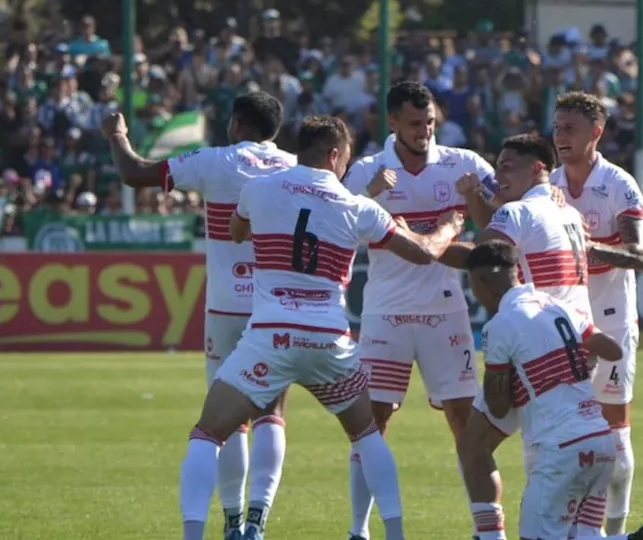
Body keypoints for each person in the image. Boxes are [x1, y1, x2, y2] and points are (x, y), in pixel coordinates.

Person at [176, 115, 465, 540]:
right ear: (334, 155)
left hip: (270, 335)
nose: (347, 167)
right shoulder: (356, 205)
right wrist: (449, 227)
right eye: (346, 159)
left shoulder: (257, 188)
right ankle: (396, 533)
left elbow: (236, 230)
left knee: (207, 433)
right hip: (328, 340)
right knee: (367, 435)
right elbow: (423, 254)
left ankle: (193, 535)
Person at [102, 91, 297, 540]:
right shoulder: (294, 167)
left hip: (225, 308)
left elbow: (133, 173)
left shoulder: (214, 161)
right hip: (273, 306)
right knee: (272, 411)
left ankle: (231, 522)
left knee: (226, 418)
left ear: (237, 124)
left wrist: (116, 134)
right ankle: (257, 521)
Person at [341, 81, 497, 540]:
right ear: (392, 123)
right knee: (373, 422)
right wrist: (368, 196)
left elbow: (499, 228)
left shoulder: (464, 164)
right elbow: (339, 230)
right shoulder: (368, 170)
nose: (425, 131)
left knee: (465, 420)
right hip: (386, 311)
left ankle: (487, 530)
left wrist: (473, 202)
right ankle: (359, 529)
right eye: (415, 123)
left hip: (445, 311)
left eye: (430, 122)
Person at [450, 132, 595, 539]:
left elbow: (483, 258)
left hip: (535, 349)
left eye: (506, 166)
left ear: (537, 168)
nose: (498, 175)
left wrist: (421, 240)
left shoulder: (517, 214)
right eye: (496, 167)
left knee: (474, 446)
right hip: (577, 345)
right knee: (558, 456)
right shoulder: (568, 211)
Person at [468, 239, 626, 540]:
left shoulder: (500, 325)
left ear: (482, 282)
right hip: (600, 442)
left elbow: (499, 407)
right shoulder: (557, 307)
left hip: (561, 450)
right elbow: (613, 350)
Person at [549, 92, 643, 535]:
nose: (560, 137)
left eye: (570, 129)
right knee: (560, 425)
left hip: (611, 318)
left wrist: (589, 248)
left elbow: (640, 253)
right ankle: (568, 523)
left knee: (615, 427)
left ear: (596, 132)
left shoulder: (619, 184)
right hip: (562, 321)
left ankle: (614, 528)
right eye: (556, 128)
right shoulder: (549, 184)